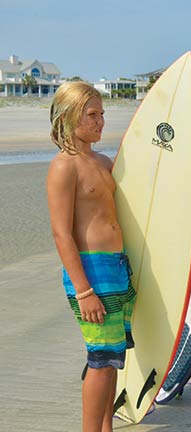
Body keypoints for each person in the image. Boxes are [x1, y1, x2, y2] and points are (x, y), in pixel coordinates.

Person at [46, 81, 136, 432]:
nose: (101, 122)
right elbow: (61, 233)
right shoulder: (63, 167)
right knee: (100, 360)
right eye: (92, 115)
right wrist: (84, 291)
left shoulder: (102, 161)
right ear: (69, 117)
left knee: (113, 358)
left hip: (117, 267)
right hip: (91, 271)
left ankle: (106, 427)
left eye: (102, 114)